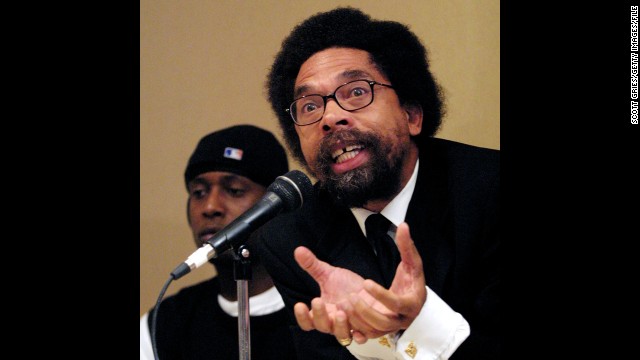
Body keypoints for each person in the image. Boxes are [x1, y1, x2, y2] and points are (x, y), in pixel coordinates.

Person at [254, 7, 500, 360]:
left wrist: (420, 320)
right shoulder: (292, 240)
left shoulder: (491, 192)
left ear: (411, 115)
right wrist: (371, 337)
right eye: (309, 107)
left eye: (356, 91)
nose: (330, 117)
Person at [140, 125, 297, 360]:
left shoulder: (324, 306)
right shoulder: (166, 321)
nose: (210, 207)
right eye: (199, 192)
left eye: (234, 191)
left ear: (276, 206)